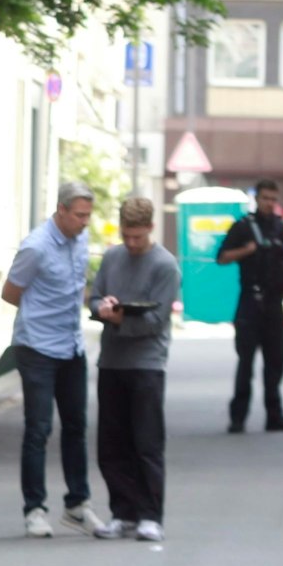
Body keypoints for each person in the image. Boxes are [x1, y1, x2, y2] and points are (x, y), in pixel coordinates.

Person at [1, 180, 106, 538]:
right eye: (79, 215)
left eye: (88, 216)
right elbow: (10, 292)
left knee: (76, 426)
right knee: (39, 427)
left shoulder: (81, 240)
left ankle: (77, 505)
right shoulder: (36, 247)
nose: (85, 222)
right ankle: (34, 509)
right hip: (37, 347)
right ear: (61, 210)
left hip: (71, 345)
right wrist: (39, 314)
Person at [86, 197, 180, 543]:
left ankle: (150, 515)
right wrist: (103, 307)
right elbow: (94, 297)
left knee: (146, 442)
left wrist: (120, 319)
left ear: (150, 229)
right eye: (126, 236)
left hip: (147, 363)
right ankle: (122, 512)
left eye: (137, 237)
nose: (131, 243)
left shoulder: (165, 266)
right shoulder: (112, 257)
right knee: (112, 444)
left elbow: (156, 320)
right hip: (112, 360)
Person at [217, 178, 283, 433]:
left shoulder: (278, 226)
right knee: (246, 363)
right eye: (265, 198)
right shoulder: (243, 226)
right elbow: (221, 257)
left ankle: (275, 417)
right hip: (250, 303)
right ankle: (238, 418)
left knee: (276, 362)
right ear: (257, 198)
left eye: (273, 199)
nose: (269, 203)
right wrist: (247, 250)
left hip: (274, 303)